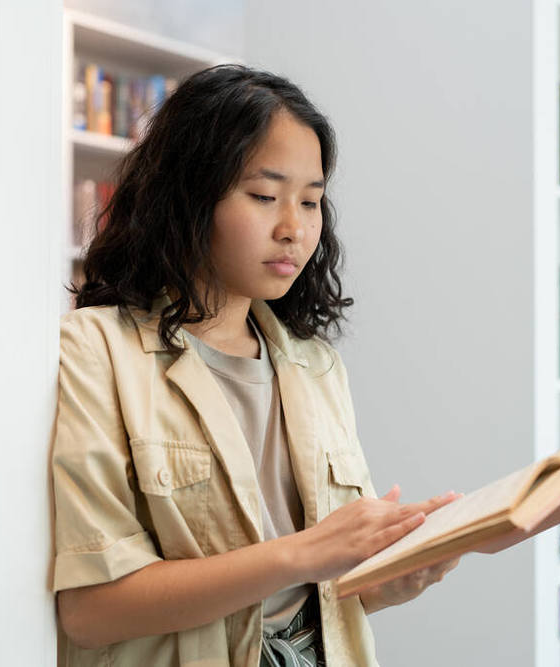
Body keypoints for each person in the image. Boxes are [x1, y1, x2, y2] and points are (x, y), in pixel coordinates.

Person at [51, 64, 461, 667]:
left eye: (312, 202)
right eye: (265, 197)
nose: (295, 228)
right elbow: (91, 612)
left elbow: (328, 590)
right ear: (189, 197)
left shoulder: (316, 365)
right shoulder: (95, 348)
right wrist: (305, 552)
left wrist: (392, 578)